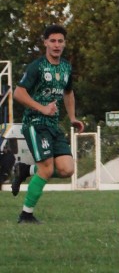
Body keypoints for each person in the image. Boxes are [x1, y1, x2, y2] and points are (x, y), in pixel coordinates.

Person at [11, 24, 84, 223]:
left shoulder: (66, 67)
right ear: (45, 42)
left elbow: (68, 93)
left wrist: (72, 117)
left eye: (60, 41)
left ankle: (25, 170)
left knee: (67, 169)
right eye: (52, 41)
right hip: (35, 123)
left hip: (53, 125)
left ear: (65, 43)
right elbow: (18, 93)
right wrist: (41, 108)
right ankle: (26, 215)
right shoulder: (37, 66)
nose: (56, 45)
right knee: (46, 168)